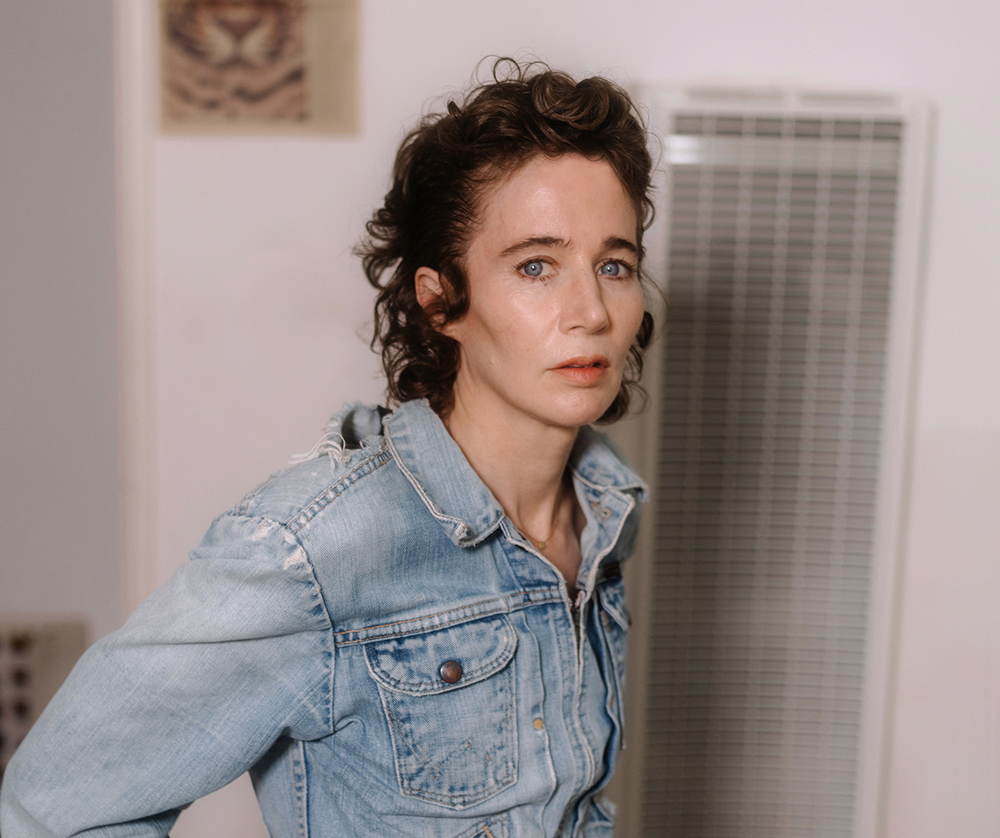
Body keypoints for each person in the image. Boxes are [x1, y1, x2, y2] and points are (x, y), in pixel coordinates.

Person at [0, 58, 655, 837]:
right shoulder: (312, 549)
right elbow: (55, 808)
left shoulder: (606, 506)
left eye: (614, 265)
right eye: (536, 266)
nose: (589, 311)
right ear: (441, 297)